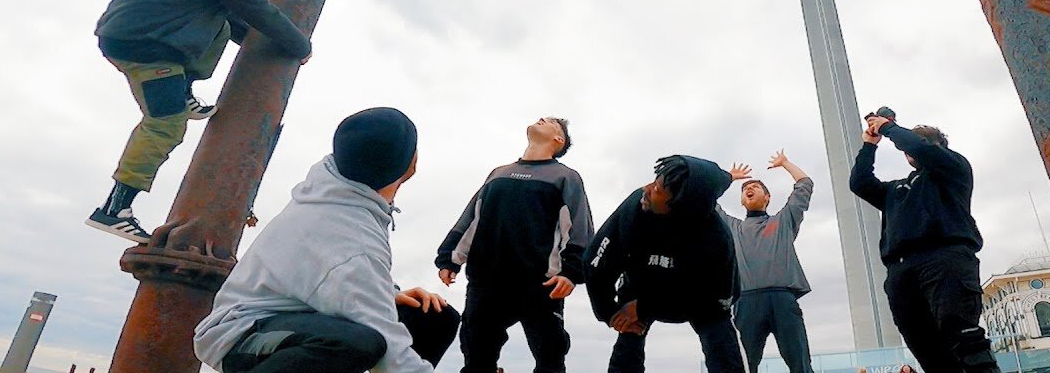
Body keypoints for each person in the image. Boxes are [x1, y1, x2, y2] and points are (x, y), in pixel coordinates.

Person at [87, 0, 313, 243]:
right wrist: (300, 46)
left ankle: (185, 91)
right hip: (145, 49)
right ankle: (113, 209)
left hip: (135, 37)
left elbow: (238, 22)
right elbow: (258, 10)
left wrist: (274, 45)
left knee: (219, 26)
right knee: (166, 124)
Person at [194, 107, 460, 373]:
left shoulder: (338, 189)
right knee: (358, 343)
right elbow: (389, 349)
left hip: (291, 313)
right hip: (239, 335)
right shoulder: (350, 242)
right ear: (409, 165)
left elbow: (330, 274)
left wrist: (388, 294)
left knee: (434, 318)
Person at [848, 107, 1000, 373]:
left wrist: (888, 128)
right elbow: (860, 183)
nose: (911, 151)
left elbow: (923, 150)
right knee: (926, 349)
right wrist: (869, 146)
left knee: (964, 338)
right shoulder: (895, 190)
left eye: (918, 144)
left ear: (936, 146)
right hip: (901, 270)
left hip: (945, 258)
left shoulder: (953, 169)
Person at [435, 117, 592, 373]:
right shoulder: (499, 174)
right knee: (476, 357)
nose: (541, 118)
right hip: (486, 283)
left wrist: (572, 273)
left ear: (558, 140)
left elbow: (578, 226)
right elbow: (472, 217)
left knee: (550, 357)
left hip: (541, 285)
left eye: (551, 122)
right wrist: (450, 258)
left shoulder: (565, 177)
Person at [584, 155, 746, 373]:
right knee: (628, 342)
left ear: (680, 207)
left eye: (658, 190)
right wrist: (610, 313)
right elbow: (595, 263)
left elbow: (709, 301)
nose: (648, 189)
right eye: (655, 180)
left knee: (721, 342)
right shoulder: (636, 208)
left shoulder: (716, 242)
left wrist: (644, 307)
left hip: (701, 297)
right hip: (641, 284)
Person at [721, 150, 815, 373]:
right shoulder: (733, 227)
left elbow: (805, 184)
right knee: (741, 365)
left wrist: (785, 163)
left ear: (768, 197)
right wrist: (728, 178)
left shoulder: (783, 221)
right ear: (742, 200)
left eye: (755, 187)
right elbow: (706, 202)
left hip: (783, 299)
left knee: (800, 364)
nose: (749, 189)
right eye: (745, 189)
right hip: (746, 301)